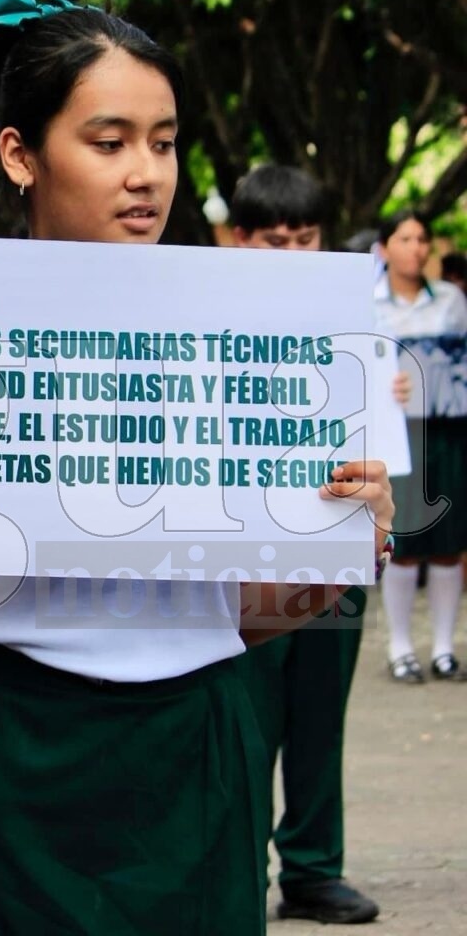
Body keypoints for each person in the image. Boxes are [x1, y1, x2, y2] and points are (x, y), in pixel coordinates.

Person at [0, 0, 395, 935]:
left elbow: (251, 615)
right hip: (5, 754)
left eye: (162, 142)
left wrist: (340, 548)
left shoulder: (241, 332)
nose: (145, 174)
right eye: (109, 142)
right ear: (19, 154)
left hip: (191, 750)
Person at [226, 165, 383, 923]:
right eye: (273, 240)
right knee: (245, 720)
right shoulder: (203, 323)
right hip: (236, 553)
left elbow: (384, 462)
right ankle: (239, 867)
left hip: (334, 546)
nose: (292, 254)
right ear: (238, 240)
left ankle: (315, 866)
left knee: (321, 714)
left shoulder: (358, 323)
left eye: (306, 239)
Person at [373, 209, 467, 683]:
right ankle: (401, 645)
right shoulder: (371, 304)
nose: (416, 247)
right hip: (398, 435)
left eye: (422, 238)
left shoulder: (451, 300)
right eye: (405, 237)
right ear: (385, 246)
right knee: (405, 543)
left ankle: (446, 648)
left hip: (449, 430)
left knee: (450, 545)